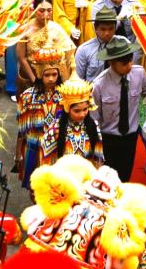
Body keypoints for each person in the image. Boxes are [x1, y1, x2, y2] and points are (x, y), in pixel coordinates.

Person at [90, 35, 146, 181]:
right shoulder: (99, 85)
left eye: (130, 60)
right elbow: (94, 118)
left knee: (126, 176)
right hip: (109, 139)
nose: (129, 66)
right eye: (124, 63)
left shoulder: (139, 73)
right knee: (108, 180)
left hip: (130, 137)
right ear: (112, 62)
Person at [15, 46, 65, 181]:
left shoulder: (65, 96)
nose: (51, 79)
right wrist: (18, 154)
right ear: (39, 74)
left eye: (54, 74)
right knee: (34, 186)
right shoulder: (27, 97)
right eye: (47, 75)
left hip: (57, 149)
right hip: (33, 147)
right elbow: (21, 130)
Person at [40, 76, 104, 166]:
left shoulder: (94, 126)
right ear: (67, 109)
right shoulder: (55, 130)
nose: (82, 114)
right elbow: (46, 164)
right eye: (77, 111)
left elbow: (98, 160)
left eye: (85, 109)